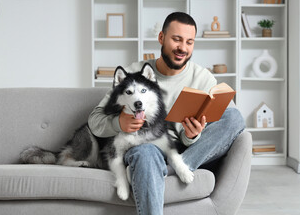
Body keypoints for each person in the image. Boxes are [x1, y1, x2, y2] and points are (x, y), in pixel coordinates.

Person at [88, 12, 245, 215]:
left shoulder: (203, 77)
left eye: (189, 42)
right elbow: (95, 119)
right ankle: (169, 168)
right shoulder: (135, 73)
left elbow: (224, 123)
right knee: (145, 153)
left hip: (186, 150)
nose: (183, 48)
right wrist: (119, 123)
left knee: (234, 117)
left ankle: (173, 169)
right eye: (176, 39)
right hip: (147, 148)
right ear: (161, 38)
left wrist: (192, 136)